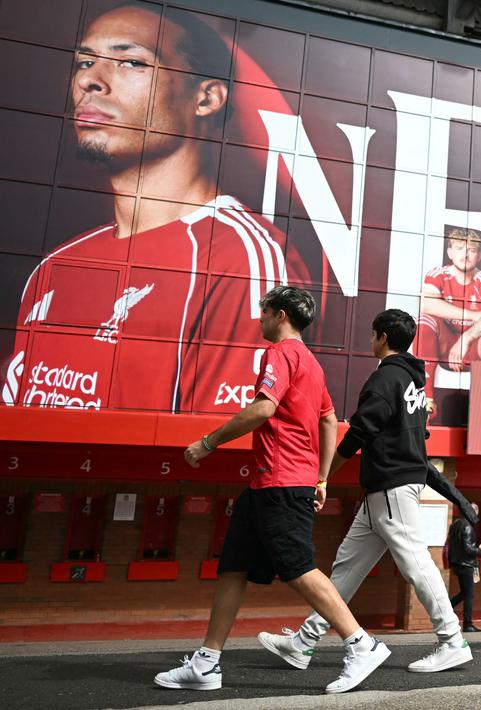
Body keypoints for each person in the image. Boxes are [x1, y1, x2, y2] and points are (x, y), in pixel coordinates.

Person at [2, 3, 300, 414]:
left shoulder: (240, 257)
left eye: (131, 62)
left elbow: (226, 437)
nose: (89, 80)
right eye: (85, 62)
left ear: (206, 98)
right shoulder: (56, 266)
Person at [155, 286, 389, 694]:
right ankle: (206, 663)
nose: (259, 319)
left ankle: (361, 644)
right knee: (234, 566)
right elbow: (329, 419)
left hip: (281, 481)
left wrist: (208, 443)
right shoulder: (311, 363)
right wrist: (321, 478)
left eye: (263, 312)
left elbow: (264, 408)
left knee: (299, 568)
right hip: (270, 483)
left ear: (280, 315)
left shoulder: (280, 353)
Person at [257, 308, 476, 674]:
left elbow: (359, 432)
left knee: (416, 562)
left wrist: (322, 475)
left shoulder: (385, 378)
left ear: (382, 337)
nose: (370, 339)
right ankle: (304, 642)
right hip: (384, 491)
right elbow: (415, 445)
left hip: (391, 487)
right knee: (347, 568)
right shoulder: (413, 382)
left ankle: (452, 640)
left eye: (373, 334)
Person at [415, 228, 481, 413]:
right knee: (425, 320)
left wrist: (466, 338)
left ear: (479, 256)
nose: (465, 255)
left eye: (471, 250)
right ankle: (426, 400)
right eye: (459, 248)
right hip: (445, 349)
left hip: (476, 350)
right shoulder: (438, 275)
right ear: (450, 253)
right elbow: (426, 304)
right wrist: (471, 315)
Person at [448, 503, 481, 632]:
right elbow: (468, 548)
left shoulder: (456, 524)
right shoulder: (467, 526)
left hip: (457, 563)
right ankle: (468, 624)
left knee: (464, 593)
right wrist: (480, 550)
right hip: (466, 564)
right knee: (469, 595)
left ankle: (446, 609)